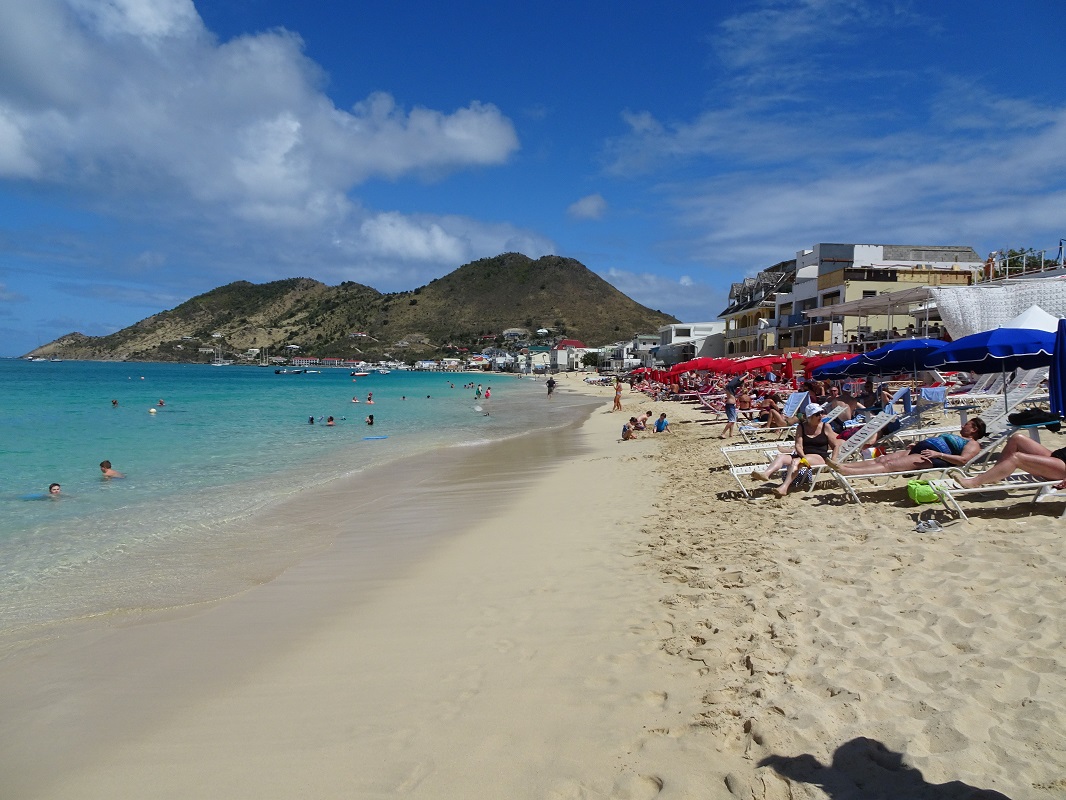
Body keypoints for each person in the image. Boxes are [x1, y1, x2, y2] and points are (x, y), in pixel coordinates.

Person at [827, 418, 986, 475]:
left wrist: (939, 455)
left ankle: (848, 472)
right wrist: (916, 445)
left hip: (931, 457)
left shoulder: (973, 444)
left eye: (967, 424)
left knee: (888, 465)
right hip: (922, 450)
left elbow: (963, 460)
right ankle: (844, 465)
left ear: (974, 430)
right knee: (880, 460)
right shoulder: (961, 438)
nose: (964, 426)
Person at [753, 403, 841, 496]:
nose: (820, 416)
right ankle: (766, 474)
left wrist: (833, 460)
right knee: (781, 457)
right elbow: (798, 445)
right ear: (810, 416)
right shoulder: (801, 427)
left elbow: (835, 445)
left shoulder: (825, 426)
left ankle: (784, 487)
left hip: (819, 456)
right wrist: (803, 456)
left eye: (821, 413)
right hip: (803, 455)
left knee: (796, 461)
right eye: (817, 414)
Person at [952, 430, 1065, 489]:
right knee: (1016, 438)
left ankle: (974, 482)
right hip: (1057, 456)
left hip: (1062, 468)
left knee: (1017, 458)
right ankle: (994, 474)